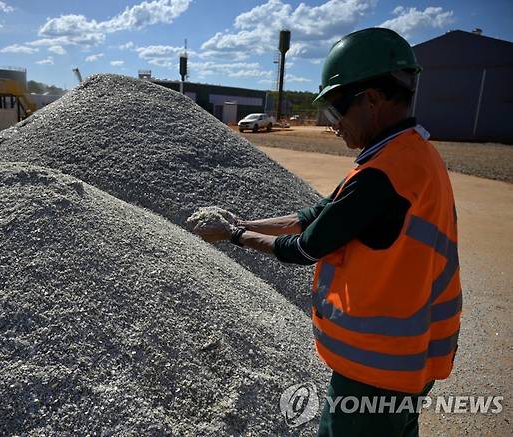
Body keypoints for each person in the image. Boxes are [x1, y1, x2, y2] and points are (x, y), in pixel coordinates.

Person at [192, 27, 462, 437]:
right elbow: (316, 213)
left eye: (336, 112)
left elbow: (305, 246)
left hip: (375, 367)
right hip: (409, 359)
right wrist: (243, 222)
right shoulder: (410, 155)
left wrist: (232, 237)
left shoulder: (381, 178)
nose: (332, 126)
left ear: (371, 101)